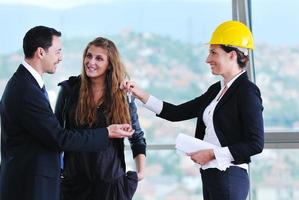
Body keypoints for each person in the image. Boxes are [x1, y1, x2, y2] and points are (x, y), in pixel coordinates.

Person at [121, 20, 264, 200]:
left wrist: (212, 153)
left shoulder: (247, 91)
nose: (207, 59)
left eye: (213, 53)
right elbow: (176, 113)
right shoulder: (216, 90)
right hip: (212, 175)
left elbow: (256, 143)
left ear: (232, 55)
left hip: (229, 175)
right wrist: (140, 94)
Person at [0, 26, 134, 200]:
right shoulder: (27, 90)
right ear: (41, 52)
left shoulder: (25, 83)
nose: (60, 57)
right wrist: (107, 132)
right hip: (30, 186)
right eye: (57, 52)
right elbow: (59, 138)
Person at [55, 37, 146, 200]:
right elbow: (56, 136)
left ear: (110, 64)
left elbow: (137, 137)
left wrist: (140, 172)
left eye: (99, 58)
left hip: (111, 187)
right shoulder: (69, 91)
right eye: (88, 56)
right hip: (73, 185)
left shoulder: (123, 96)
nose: (91, 62)